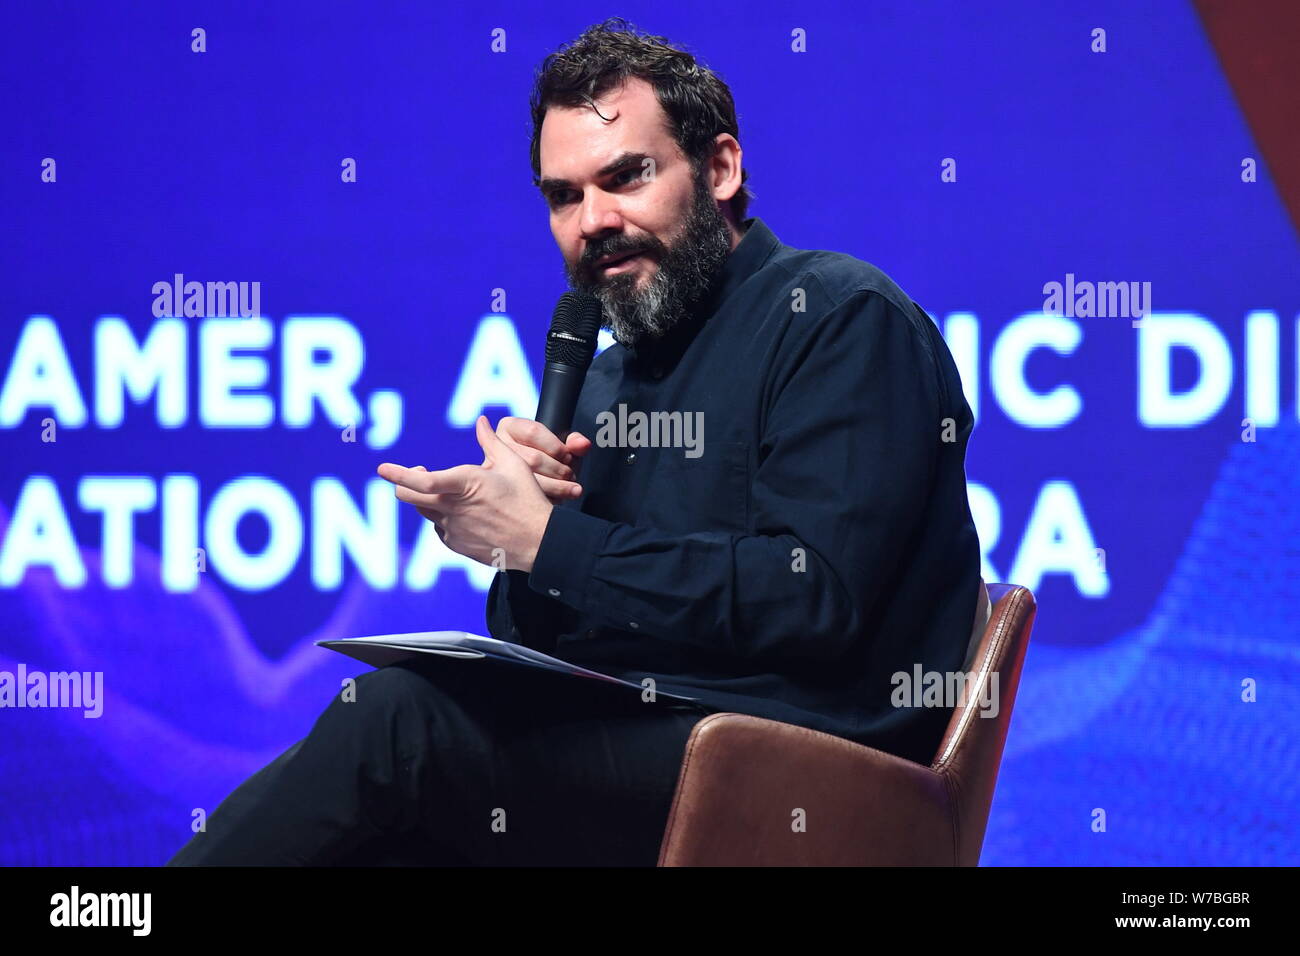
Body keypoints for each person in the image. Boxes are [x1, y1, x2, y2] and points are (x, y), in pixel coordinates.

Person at [167, 17, 981, 867]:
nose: (594, 220)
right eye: (564, 195)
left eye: (627, 176)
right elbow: (560, 645)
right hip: (648, 735)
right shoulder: (604, 380)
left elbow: (814, 601)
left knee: (394, 727)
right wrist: (520, 543)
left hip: (803, 763)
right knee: (394, 809)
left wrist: (553, 544)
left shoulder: (840, 319)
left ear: (721, 169)